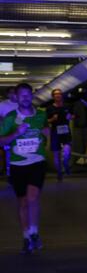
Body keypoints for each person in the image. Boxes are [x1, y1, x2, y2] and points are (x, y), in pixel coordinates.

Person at [0, 83, 49, 254]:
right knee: (22, 203)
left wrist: (48, 134)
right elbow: (2, 141)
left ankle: (35, 233)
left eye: (28, 95)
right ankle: (26, 236)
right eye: (22, 95)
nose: (26, 98)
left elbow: (46, 131)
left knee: (32, 197)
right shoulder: (10, 118)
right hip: (17, 165)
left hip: (37, 162)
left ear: (32, 96)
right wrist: (16, 134)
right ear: (17, 98)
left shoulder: (41, 115)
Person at [46, 88, 73, 181]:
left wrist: (71, 117)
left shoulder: (67, 106)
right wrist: (52, 119)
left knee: (67, 151)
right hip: (55, 132)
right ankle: (59, 172)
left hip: (65, 131)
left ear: (62, 95)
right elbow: (46, 121)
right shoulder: (49, 108)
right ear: (53, 96)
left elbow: (73, 116)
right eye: (56, 94)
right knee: (56, 154)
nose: (58, 95)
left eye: (60, 94)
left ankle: (65, 163)